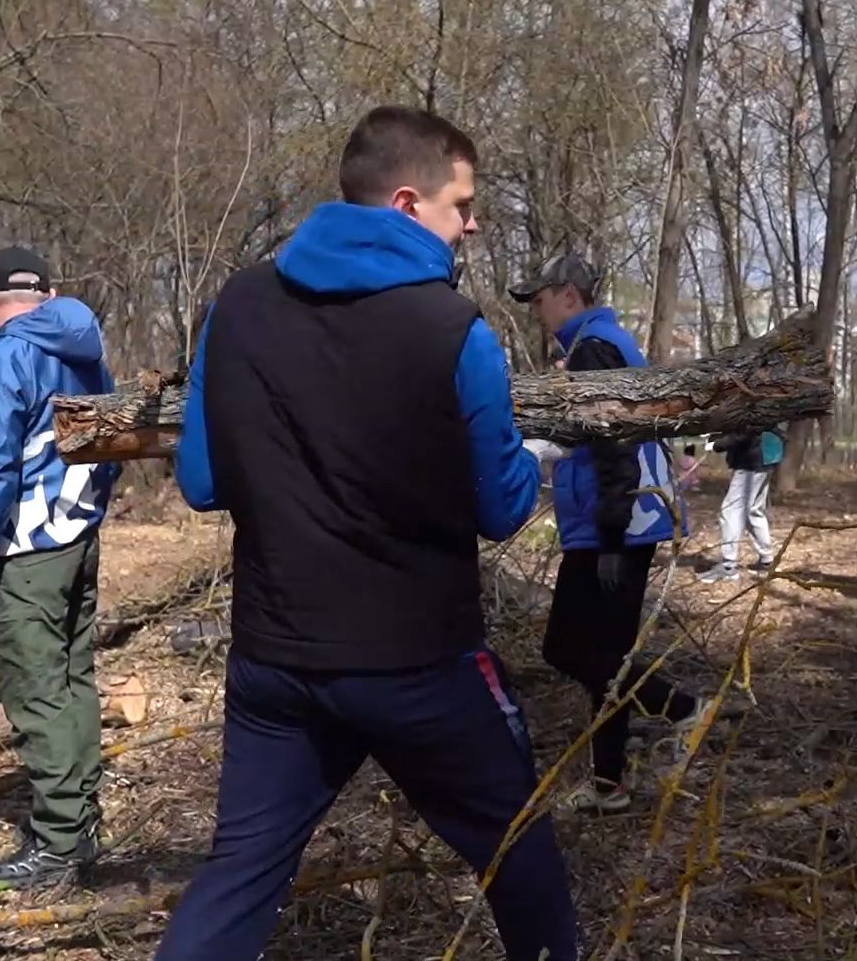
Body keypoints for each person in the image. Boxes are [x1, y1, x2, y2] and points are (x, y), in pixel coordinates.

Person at [155, 106, 579, 961]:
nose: (472, 225)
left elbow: (200, 482)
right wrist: (531, 458)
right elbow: (502, 510)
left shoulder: (236, 305)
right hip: (421, 666)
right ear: (407, 202)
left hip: (277, 662)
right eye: (463, 205)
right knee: (519, 855)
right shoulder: (454, 331)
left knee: (240, 873)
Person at [0, 245, 119, 888]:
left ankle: (60, 847)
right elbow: (110, 440)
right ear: (47, 292)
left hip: (24, 555)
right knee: (74, 681)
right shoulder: (85, 350)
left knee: (38, 695)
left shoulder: (2, 359)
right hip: (78, 539)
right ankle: (79, 825)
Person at [511, 253, 710, 815]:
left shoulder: (595, 348)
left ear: (569, 294)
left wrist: (613, 538)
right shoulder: (598, 343)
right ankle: (609, 784)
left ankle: (682, 708)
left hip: (614, 526)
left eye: (541, 299)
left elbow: (616, 445)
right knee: (604, 654)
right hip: (619, 522)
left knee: (571, 648)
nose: (537, 312)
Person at [699, 424, 785, 582]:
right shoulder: (761, 400)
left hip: (752, 459)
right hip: (767, 454)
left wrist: (717, 445)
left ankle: (728, 567)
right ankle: (767, 561)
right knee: (753, 510)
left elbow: (747, 432)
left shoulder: (750, 400)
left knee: (730, 511)